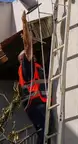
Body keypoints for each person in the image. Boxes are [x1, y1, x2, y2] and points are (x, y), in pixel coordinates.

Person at [18, 11, 53, 142]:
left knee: (46, 132)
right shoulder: (27, 66)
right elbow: (27, 47)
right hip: (36, 104)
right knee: (44, 132)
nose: (32, 55)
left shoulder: (38, 67)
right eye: (27, 55)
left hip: (40, 103)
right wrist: (24, 24)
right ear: (23, 59)